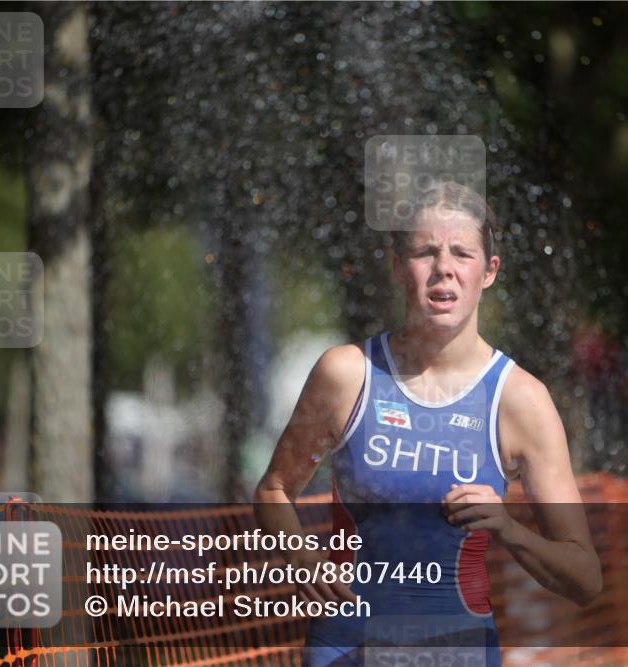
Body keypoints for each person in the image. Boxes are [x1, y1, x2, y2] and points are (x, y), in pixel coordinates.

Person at [254, 182, 602, 667]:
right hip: (347, 647)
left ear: (489, 272)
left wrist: (508, 528)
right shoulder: (347, 374)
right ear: (399, 266)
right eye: (425, 252)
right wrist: (301, 557)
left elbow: (584, 577)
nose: (444, 268)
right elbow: (273, 491)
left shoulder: (520, 401)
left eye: (462, 253)